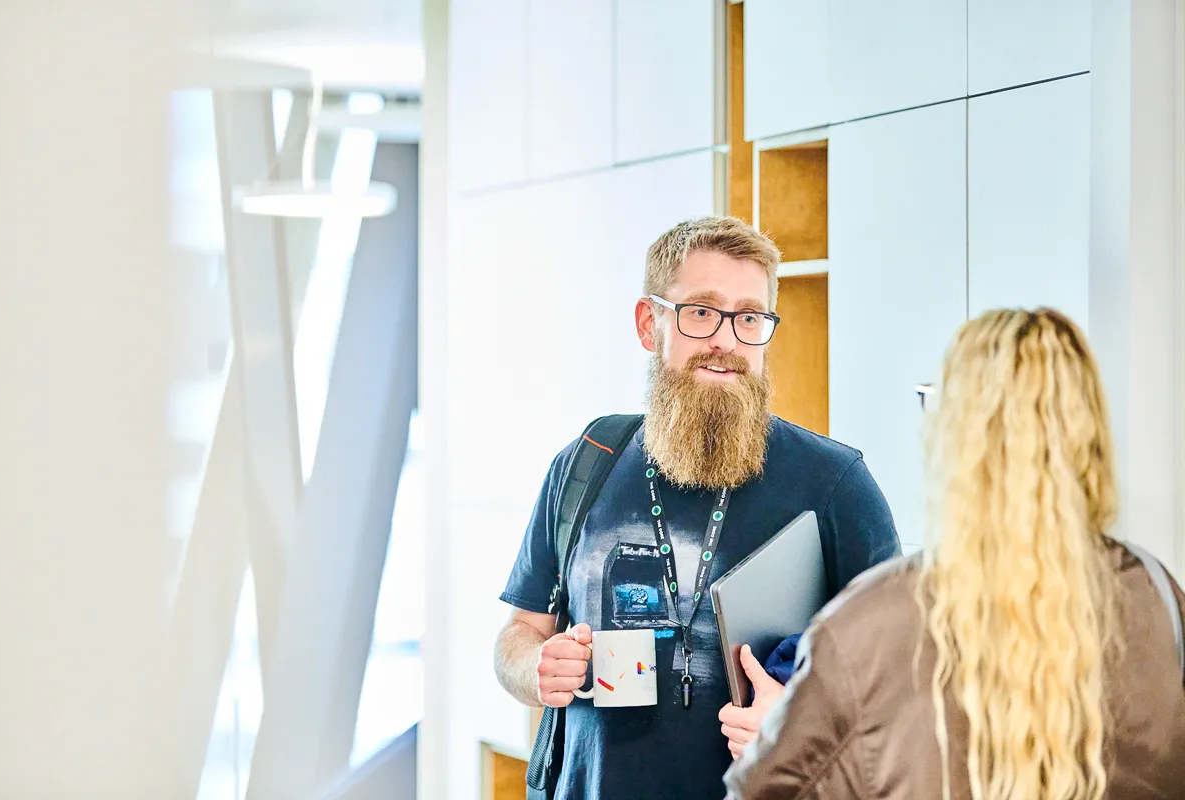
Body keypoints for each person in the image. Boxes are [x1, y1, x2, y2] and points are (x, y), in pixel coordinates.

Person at [493, 216, 901, 800]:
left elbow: (903, 689)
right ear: (649, 323)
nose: (727, 341)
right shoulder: (586, 464)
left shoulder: (836, 485)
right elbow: (518, 634)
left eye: (749, 318)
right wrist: (536, 668)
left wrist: (801, 729)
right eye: (701, 312)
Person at [724, 308, 1185, 800]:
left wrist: (785, 725)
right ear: (1091, 438)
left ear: (956, 440)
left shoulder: (868, 627)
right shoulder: (1160, 601)